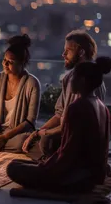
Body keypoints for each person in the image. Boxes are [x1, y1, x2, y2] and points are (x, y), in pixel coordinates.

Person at [7, 57, 111, 193]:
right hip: (94, 174)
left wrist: (46, 169)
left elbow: (68, 153)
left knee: (13, 168)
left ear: (83, 81)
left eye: (74, 77)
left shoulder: (77, 107)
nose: (70, 81)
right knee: (21, 163)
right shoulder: (102, 107)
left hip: (78, 177)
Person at [23, 30, 106, 160]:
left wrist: (43, 133)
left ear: (81, 52)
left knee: (45, 141)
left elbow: (73, 127)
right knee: (29, 140)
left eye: (68, 50)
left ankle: (57, 164)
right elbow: (59, 114)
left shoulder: (92, 80)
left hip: (79, 141)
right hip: (64, 135)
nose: (63, 54)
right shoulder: (69, 78)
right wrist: (35, 133)